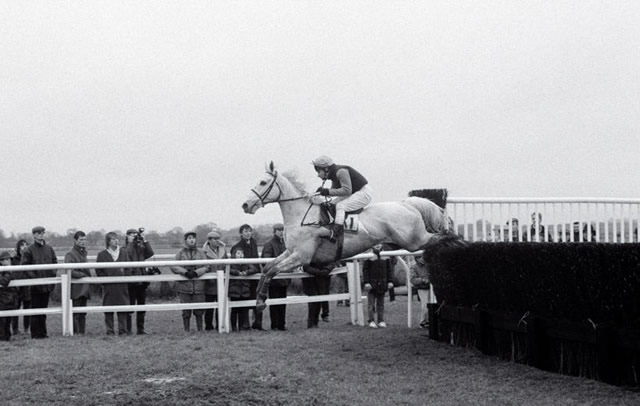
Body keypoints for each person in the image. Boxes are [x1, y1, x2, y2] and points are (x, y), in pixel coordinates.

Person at [311, 155, 372, 242]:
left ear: (326, 169)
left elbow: (347, 190)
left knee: (340, 206)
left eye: (318, 171)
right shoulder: (333, 176)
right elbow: (334, 193)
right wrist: (318, 195)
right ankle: (328, 225)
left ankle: (336, 233)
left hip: (363, 193)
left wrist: (326, 191)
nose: (318, 175)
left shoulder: (341, 172)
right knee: (329, 204)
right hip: (355, 193)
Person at [21, 226, 58, 339]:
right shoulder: (29, 250)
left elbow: (54, 263)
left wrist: (51, 275)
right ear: (34, 235)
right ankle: (35, 333)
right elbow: (25, 267)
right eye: (38, 233)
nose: (41, 235)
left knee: (43, 310)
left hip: (47, 285)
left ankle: (43, 332)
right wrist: (36, 279)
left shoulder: (49, 249)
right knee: (35, 310)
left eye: (42, 233)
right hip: (35, 286)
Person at [170, 231, 208, 332]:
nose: (192, 240)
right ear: (185, 240)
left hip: (199, 286)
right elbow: (173, 265)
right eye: (189, 238)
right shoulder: (180, 253)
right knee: (186, 311)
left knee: (199, 310)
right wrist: (185, 272)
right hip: (184, 287)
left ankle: (200, 329)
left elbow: (207, 265)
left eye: (193, 238)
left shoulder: (201, 253)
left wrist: (197, 273)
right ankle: (186, 330)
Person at [96, 232, 131, 336]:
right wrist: (105, 280)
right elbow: (99, 271)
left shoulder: (124, 253)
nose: (116, 241)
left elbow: (128, 269)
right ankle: (110, 330)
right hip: (109, 287)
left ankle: (122, 330)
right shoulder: (102, 255)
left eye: (117, 239)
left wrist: (124, 277)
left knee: (122, 308)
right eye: (113, 239)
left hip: (121, 286)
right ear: (108, 241)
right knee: (108, 308)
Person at [231, 224, 263, 330]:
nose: (248, 233)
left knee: (258, 299)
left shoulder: (253, 243)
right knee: (244, 300)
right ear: (241, 233)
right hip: (244, 278)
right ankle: (245, 324)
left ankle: (257, 323)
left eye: (249, 231)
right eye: (245, 231)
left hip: (255, 275)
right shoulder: (237, 247)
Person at [125, 228, 155, 335]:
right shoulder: (125, 249)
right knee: (129, 306)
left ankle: (140, 329)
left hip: (142, 281)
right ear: (127, 236)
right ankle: (128, 329)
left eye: (135, 235)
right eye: (132, 235)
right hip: (131, 282)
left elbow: (150, 253)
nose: (134, 237)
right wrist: (131, 244)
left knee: (141, 306)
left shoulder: (140, 248)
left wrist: (144, 240)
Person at [261, 223, 290, 331]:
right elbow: (266, 261)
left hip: (284, 278)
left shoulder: (286, 244)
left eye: (282, 229)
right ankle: (275, 325)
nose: (281, 232)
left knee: (283, 302)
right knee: (274, 303)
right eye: (279, 230)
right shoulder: (269, 244)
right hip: (274, 279)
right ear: (274, 231)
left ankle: (282, 324)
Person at [64, 231, 91, 335]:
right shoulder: (70, 254)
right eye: (81, 240)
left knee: (83, 312)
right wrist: (82, 275)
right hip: (76, 288)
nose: (83, 242)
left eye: (84, 239)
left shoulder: (84, 253)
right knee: (75, 312)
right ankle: (75, 332)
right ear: (75, 241)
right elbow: (69, 270)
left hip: (84, 287)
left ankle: (82, 332)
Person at [362, 244, 394, 328]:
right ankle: (371, 320)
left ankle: (381, 320)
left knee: (381, 304)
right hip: (371, 283)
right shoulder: (368, 256)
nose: (377, 246)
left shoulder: (386, 256)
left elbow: (389, 270)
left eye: (379, 244)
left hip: (383, 283)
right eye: (375, 244)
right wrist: (366, 282)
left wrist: (390, 281)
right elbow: (365, 270)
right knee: (371, 304)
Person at [228, 247, 259, 331]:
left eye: (241, 254)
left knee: (243, 310)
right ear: (234, 255)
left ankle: (241, 327)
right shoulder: (231, 263)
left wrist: (246, 272)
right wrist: (236, 273)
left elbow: (254, 269)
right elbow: (227, 269)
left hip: (244, 290)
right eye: (238, 253)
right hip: (234, 290)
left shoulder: (246, 263)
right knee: (234, 310)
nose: (240, 255)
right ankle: (234, 327)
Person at [203, 230, 227, 331]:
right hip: (210, 282)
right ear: (209, 240)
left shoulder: (223, 250)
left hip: (221, 281)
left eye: (218, 239)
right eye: (215, 239)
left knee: (220, 305)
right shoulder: (204, 252)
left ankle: (219, 324)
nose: (217, 241)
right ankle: (208, 325)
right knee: (209, 306)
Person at [302, 263, 334, 328]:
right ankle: (311, 322)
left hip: (322, 278)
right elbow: (305, 266)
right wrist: (319, 272)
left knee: (319, 298)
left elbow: (332, 262)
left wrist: (326, 271)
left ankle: (315, 322)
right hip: (310, 279)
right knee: (313, 299)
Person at [10, 239, 30, 335]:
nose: (24, 247)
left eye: (26, 245)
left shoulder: (30, 259)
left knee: (27, 308)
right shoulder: (14, 260)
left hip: (27, 287)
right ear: (18, 248)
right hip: (17, 288)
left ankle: (27, 328)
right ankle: (15, 329)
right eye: (22, 245)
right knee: (15, 308)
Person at [410, 254, 433, 329]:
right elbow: (412, 279)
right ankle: (423, 322)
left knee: (433, 304)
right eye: (420, 257)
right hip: (422, 288)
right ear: (417, 259)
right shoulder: (413, 267)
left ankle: (431, 321)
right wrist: (423, 280)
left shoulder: (429, 265)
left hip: (431, 288)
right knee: (425, 305)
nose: (423, 258)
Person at [0, 251, 19, 341]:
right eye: (5, 260)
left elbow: (4, 282)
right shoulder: (7, 271)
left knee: (7, 320)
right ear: (1, 261)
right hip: (4, 298)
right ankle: (3, 337)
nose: (8, 261)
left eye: (9, 259)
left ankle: (6, 337)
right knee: (3, 320)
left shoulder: (10, 271)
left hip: (9, 298)